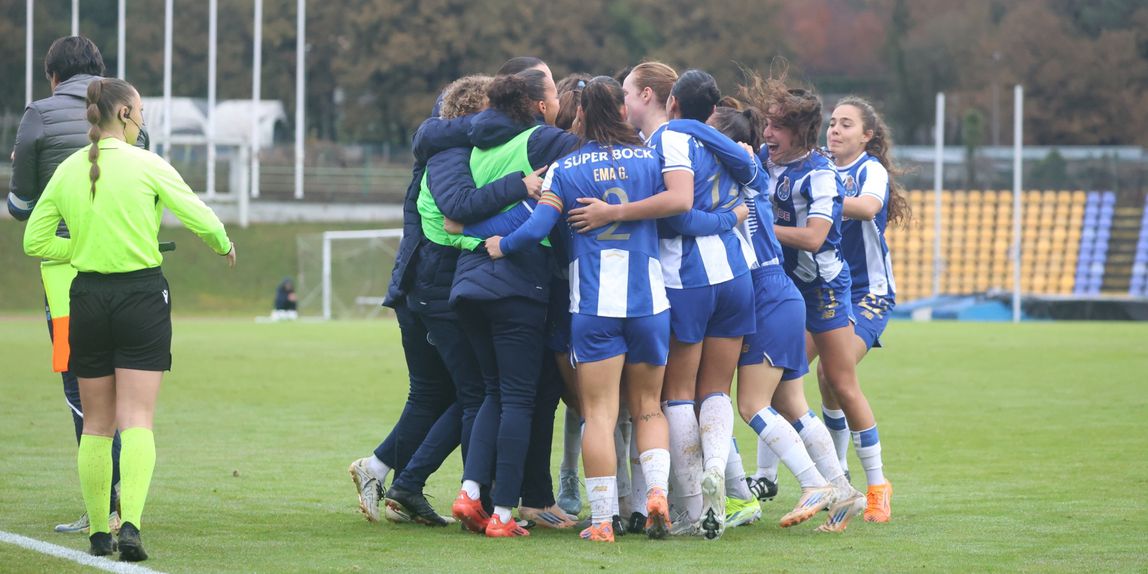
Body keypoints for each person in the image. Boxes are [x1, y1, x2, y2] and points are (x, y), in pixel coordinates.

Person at [23, 77, 235, 560]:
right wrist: (224, 244)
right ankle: (131, 525)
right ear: (124, 115)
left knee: (96, 424)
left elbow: (34, 240)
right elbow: (201, 216)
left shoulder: (70, 170)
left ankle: (99, 532)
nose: (142, 121)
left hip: (88, 300)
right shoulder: (149, 164)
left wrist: (78, 248)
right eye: (139, 111)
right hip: (141, 297)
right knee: (137, 419)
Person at [478, 76, 692, 542]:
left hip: (594, 305)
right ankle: (656, 491)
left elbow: (535, 230)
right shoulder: (651, 158)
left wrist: (499, 245)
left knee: (598, 414)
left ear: (579, 117)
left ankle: (601, 522)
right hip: (649, 302)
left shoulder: (566, 168)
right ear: (621, 111)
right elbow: (677, 209)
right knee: (649, 408)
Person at [570, 65, 757, 539]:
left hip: (683, 279)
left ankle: (694, 505)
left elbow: (677, 207)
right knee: (714, 391)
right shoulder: (714, 139)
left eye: (629, 92)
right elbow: (755, 177)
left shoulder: (664, 142)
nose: (625, 104)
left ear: (658, 98)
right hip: (735, 273)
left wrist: (613, 212)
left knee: (670, 396)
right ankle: (723, 479)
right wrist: (732, 215)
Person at [670, 105, 867, 532]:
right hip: (784, 292)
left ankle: (813, 482)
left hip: (764, 293)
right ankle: (843, 488)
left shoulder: (719, 187)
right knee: (792, 403)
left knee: (750, 404)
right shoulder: (752, 176)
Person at [739, 71, 887, 527]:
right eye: (765, 124)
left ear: (800, 132)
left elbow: (815, 236)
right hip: (782, 289)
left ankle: (874, 485)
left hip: (822, 290)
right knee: (785, 391)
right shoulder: (764, 157)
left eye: (777, 126)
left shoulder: (822, 175)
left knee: (838, 383)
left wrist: (754, 223)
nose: (767, 134)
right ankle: (828, 488)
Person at [7, 35, 141, 536]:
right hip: (132, 276)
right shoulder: (128, 110)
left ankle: (103, 499)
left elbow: (20, 207)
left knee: (82, 391)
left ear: (54, 77)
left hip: (68, 282)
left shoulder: (39, 114)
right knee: (130, 387)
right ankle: (129, 492)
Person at [447, 70, 580, 538]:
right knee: (520, 398)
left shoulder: (478, 147)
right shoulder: (541, 141)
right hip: (517, 284)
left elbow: (457, 215)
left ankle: (469, 492)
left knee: (491, 393)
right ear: (539, 104)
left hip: (467, 284)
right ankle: (503, 514)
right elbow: (585, 163)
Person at [822, 95, 907, 522]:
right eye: (832, 123)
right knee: (785, 376)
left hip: (869, 293)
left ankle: (875, 486)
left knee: (833, 374)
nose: (834, 130)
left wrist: (818, 199)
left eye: (846, 124)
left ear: (867, 136)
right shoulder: (818, 166)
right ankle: (839, 480)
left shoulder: (868, 170)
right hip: (825, 290)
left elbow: (868, 207)